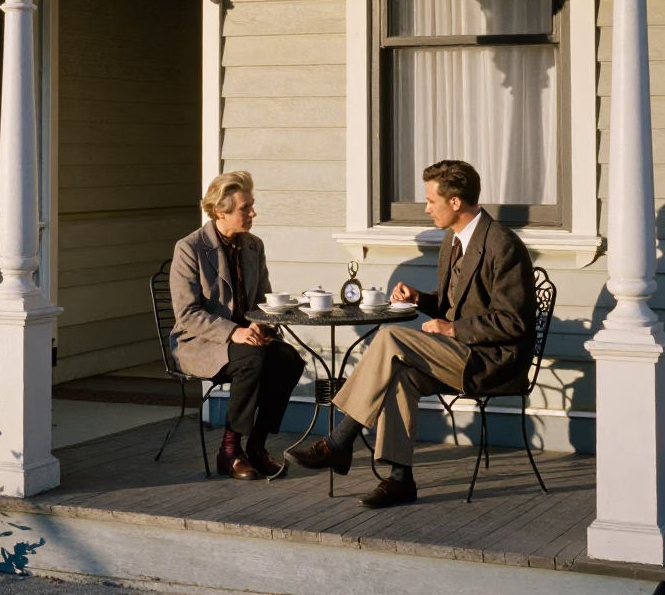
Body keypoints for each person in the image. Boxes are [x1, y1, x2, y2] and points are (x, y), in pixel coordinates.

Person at [286, 160, 536, 508]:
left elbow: (514, 323)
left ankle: (339, 441)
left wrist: (452, 328)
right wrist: (421, 300)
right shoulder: (453, 241)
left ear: (455, 202)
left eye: (432, 200)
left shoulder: (502, 244)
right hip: (461, 351)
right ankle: (400, 479)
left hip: (492, 360)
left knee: (390, 338)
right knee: (398, 374)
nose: (426, 207)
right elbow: (456, 304)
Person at [170, 171, 305, 480]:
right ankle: (230, 449)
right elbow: (187, 314)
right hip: (199, 343)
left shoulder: (253, 246)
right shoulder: (190, 248)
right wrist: (236, 332)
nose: (252, 213)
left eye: (252, 205)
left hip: (246, 343)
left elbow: (261, 303)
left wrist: (265, 327)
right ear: (221, 211)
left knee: (288, 359)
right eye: (245, 208)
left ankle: (257, 445)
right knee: (252, 359)